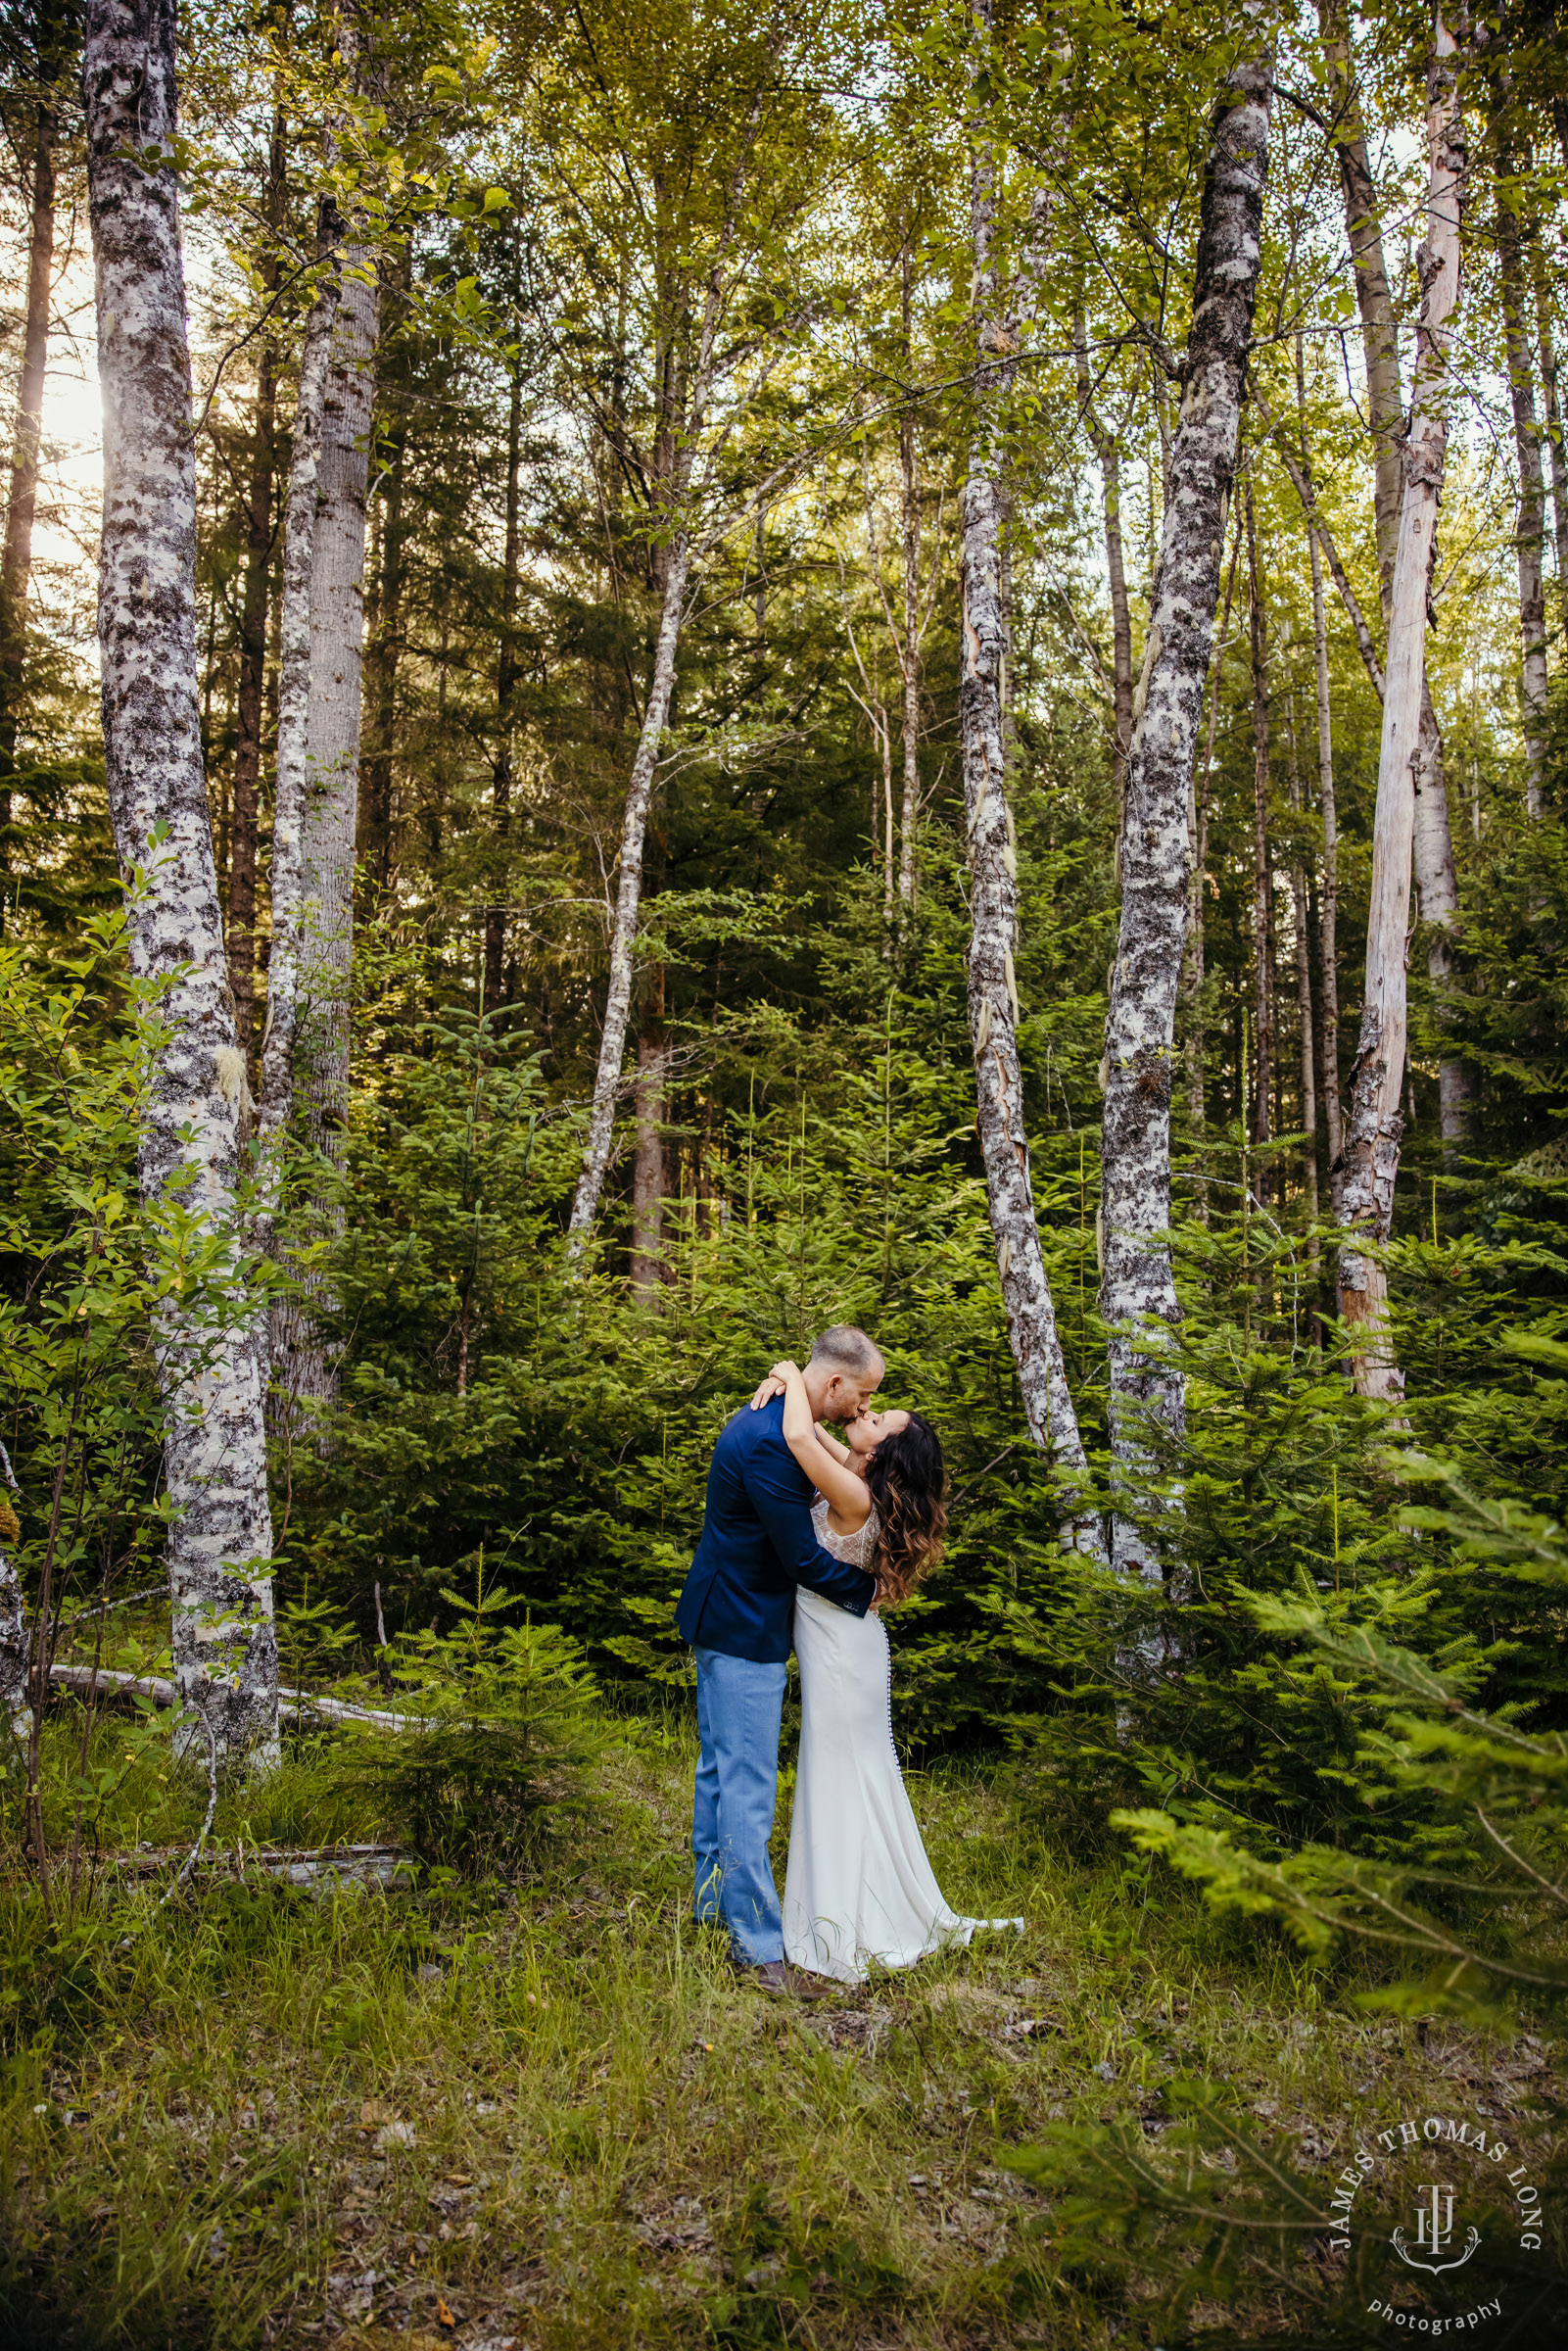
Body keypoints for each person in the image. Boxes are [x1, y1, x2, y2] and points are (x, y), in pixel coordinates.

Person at [755, 1356, 1022, 1985]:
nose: (866, 1414)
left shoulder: (854, 1493)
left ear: (886, 1455)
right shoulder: (857, 1471)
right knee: (858, 1776)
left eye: (879, 1420)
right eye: (872, 1407)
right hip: (845, 1646)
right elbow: (816, 1428)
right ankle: (864, 1907)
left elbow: (799, 1435)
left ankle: (843, 1925)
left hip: (844, 1656)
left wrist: (794, 1373)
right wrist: (790, 1380)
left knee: (841, 1776)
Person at [675, 1324, 885, 1998]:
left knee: (718, 1769)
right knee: (745, 1783)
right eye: (862, 1394)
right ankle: (758, 1948)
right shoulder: (771, 1442)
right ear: (831, 1383)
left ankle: (712, 1906)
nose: (862, 1408)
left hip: (719, 1610)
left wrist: (787, 1371)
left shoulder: (772, 1415)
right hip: (741, 1623)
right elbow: (799, 1558)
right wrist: (869, 1592)